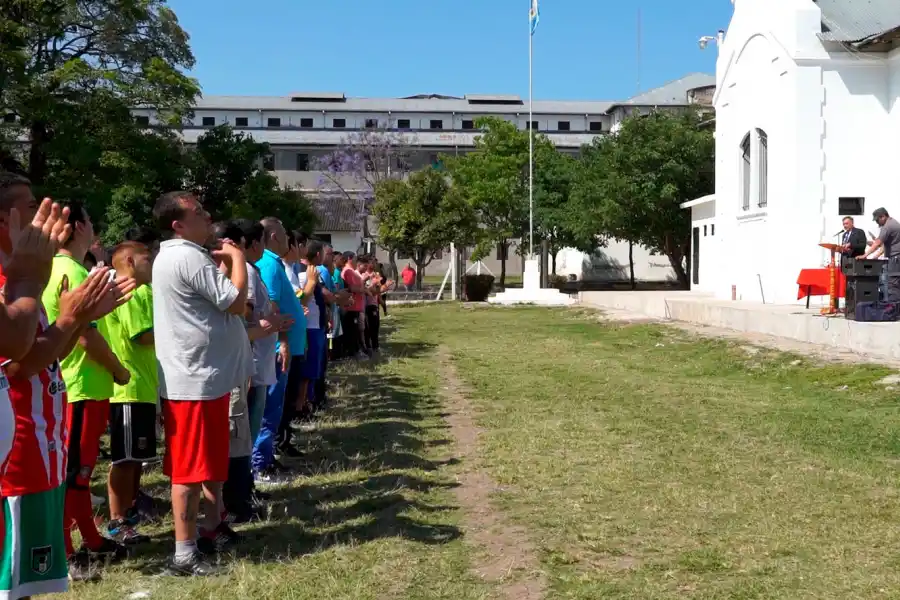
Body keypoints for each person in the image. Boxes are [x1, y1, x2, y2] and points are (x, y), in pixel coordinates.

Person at [0, 174, 135, 591]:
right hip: (18, 450)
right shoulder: (17, 278)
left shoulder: (26, 274)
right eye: (30, 207)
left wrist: (76, 319)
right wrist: (73, 318)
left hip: (38, 442)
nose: (47, 216)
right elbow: (18, 363)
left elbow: (39, 352)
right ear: (5, 221)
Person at [151, 191, 253, 576]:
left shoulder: (182, 257)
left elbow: (214, 301)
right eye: (199, 212)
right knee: (189, 472)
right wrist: (238, 258)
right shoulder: (187, 256)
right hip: (193, 383)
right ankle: (184, 553)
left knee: (207, 464)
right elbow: (235, 303)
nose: (209, 216)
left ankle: (210, 527)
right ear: (178, 224)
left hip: (202, 381)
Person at [41, 202, 130, 573]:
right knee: (73, 474)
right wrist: (119, 370)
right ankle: (69, 552)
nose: (95, 227)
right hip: (80, 384)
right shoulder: (74, 272)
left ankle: (89, 541)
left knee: (77, 473)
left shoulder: (56, 268)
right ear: (78, 226)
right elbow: (83, 337)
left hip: (76, 385)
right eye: (91, 220)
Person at [105, 242, 157, 546]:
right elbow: (142, 336)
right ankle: (116, 520)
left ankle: (129, 512)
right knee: (124, 459)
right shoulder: (129, 291)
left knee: (137, 458)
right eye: (146, 259)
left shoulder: (145, 291)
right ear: (128, 260)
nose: (151, 264)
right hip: (128, 388)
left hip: (145, 387)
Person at [254, 217, 306, 482]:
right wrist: (282, 340)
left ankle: (266, 458)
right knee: (270, 407)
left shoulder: (271, 263)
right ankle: (260, 464)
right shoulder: (269, 264)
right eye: (285, 232)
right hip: (274, 351)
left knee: (274, 407)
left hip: (278, 349)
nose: (288, 238)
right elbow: (273, 306)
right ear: (273, 235)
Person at [295, 241, 325, 419]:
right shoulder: (303, 275)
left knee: (312, 370)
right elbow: (301, 299)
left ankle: (307, 402)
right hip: (309, 327)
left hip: (316, 325)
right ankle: (300, 406)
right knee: (306, 372)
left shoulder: (314, 273)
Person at [862, 207, 900, 303]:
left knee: (893, 284)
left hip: (895, 258)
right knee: (893, 283)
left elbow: (878, 242)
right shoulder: (893, 223)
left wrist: (865, 255)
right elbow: (883, 245)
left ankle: (894, 310)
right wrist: (875, 254)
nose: (877, 223)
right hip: (895, 258)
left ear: (883, 216)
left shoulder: (888, 226)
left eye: (877, 220)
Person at [341, 252, 367, 359]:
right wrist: (362, 289)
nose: (357, 260)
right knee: (352, 331)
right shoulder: (348, 271)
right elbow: (351, 288)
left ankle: (356, 351)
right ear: (349, 259)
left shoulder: (351, 271)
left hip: (356, 306)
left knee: (355, 331)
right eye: (355, 258)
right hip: (351, 307)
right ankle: (352, 353)